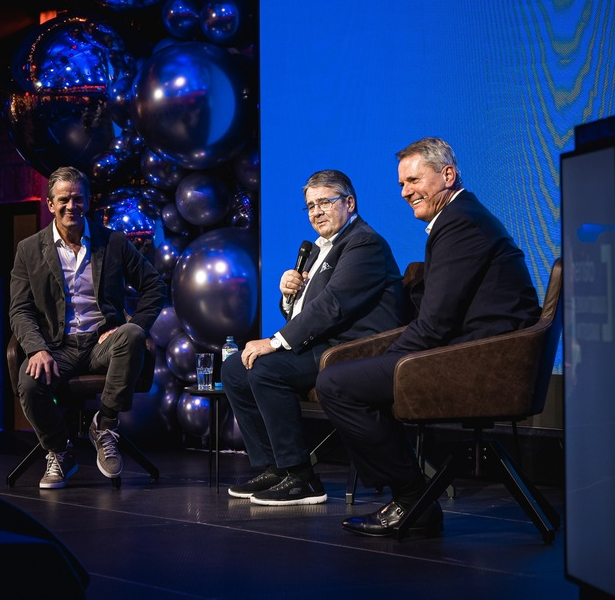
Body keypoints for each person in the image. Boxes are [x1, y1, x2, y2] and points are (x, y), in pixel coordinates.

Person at [315, 137, 542, 536]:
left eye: (414, 180)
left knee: (336, 383)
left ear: (448, 175)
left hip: (486, 361)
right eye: (401, 184)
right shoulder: (458, 218)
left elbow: (435, 324)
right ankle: (410, 496)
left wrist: (396, 362)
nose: (405, 192)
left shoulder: (460, 223)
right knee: (346, 374)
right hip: (471, 349)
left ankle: (411, 498)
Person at [220, 169, 405, 506]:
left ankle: (301, 476)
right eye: (310, 206)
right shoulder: (321, 248)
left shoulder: (364, 243)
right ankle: (274, 467)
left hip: (354, 349)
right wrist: (289, 295)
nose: (316, 212)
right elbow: (303, 313)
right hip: (323, 343)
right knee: (234, 369)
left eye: (324, 202)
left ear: (349, 202)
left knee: (266, 368)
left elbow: (332, 307)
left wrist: (274, 341)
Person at [9, 166, 168, 489]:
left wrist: (131, 323)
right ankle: (59, 450)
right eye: (64, 200)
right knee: (28, 381)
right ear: (51, 205)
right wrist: (37, 348)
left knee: (133, 334)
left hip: (100, 343)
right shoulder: (29, 249)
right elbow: (20, 309)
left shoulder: (113, 243)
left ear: (88, 201)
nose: (72, 207)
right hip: (56, 347)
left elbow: (154, 286)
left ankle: (105, 425)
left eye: (77, 199)